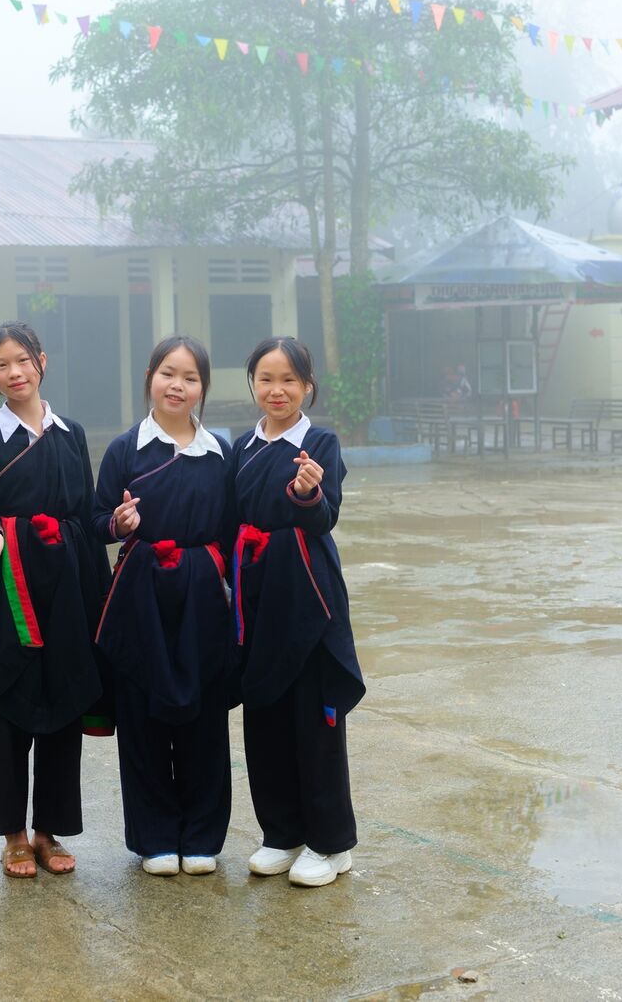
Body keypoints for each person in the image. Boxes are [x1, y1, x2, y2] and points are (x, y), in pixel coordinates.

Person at [0, 322, 111, 878]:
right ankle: (13, 834)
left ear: (42, 361)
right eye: (2, 365)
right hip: (12, 586)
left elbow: (88, 512)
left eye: (22, 360)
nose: (14, 373)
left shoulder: (70, 432)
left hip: (69, 584)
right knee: (9, 703)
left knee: (63, 702)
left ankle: (49, 831)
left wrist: (107, 548)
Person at [93, 336, 237, 877]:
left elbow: (230, 529)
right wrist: (118, 524)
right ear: (149, 376)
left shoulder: (220, 452)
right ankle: (154, 838)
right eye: (168, 373)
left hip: (200, 593)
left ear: (203, 387)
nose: (178, 385)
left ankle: (201, 836)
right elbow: (94, 520)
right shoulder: (125, 450)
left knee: (203, 716)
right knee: (142, 713)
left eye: (191, 377)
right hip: (140, 593)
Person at [229, 336, 365, 888]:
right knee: (265, 716)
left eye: (289, 379)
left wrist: (309, 492)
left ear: (308, 385)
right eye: (266, 378)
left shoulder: (320, 442)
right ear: (253, 384)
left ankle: (330, 843)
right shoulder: (242, 447)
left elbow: (324, 515)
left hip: (306, 595)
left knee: (314, 718)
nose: (277, 390)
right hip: (255, 594)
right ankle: (281, 833)